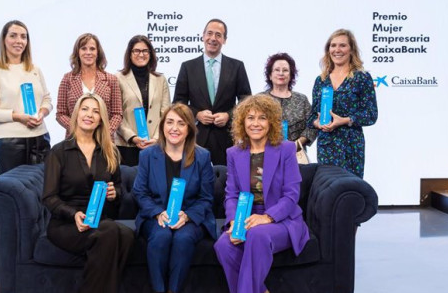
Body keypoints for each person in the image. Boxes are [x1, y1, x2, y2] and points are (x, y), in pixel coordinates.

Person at [214, 94, 310, 293]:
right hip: (247, 216)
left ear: (271, 122)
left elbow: (291, 195)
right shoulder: (234, 152)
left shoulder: (286, 149)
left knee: (257, 235)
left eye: (262, 118)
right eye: (250, 118)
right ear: (242, 122)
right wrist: (234, 221)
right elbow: (231, 194)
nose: (255, 123)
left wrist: (267, 217)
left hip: (282, 219)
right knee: (223, 245)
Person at [43, 93, 134, 292]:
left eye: (96, 111)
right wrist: (73, 214)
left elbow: (118, 188)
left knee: (126, 235)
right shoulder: (59, 152)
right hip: (66, 223)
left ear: (101, 119)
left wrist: (114, 193)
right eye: (85, 109)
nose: (89, 115)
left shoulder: (108, 151)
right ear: (76, 114)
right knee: (111, 232)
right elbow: (49, 197)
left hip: (98, 219)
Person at [132, 103, 216, 293]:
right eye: (169, 122)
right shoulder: (147, 155)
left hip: (190, 216)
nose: (174, 128)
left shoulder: (202, 157)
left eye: (181, 123)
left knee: (183, 239)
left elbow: (206, 198)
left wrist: (186, 216)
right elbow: (140, 193)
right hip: (156, 215)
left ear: (189, 129)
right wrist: (157, 213)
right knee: (161, 236)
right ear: (162, 126)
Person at [173, 18, 251, 166]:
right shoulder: (188, 67)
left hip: (227, 139)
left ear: (224, 40)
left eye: (218, 35)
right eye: (209, 33)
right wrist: (197, 114)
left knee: (226, 183)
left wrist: (229, 115)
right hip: (196, 138)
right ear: (203, 36)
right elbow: (178, 102)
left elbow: (246, 101)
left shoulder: (237, 66)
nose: (213, 38)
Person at [0, 20, 52, 174]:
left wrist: (42, 113)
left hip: (40, 139)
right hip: (10, 143)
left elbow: (47, 100)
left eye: (23, 37)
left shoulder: (35, 69)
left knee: (42, 189)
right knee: (14, 193)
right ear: (4, 40)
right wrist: (17, 117)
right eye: (13, 36)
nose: (19, 41)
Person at [308, 29, 378, 178]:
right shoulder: (321, 80)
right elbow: (312, 115)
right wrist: (317, 123)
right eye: (333, 46)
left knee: (351, 191)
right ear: (328, 50)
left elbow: (371, 115)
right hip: (327, 145)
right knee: (328, 190)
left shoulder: (362, 78)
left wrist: (345, 120)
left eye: (342, 45)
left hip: (351, 146)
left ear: (351, 50)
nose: (337, 50)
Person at [116, 35, 171, 166]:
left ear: (151, 54)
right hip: (127, 145)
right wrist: (133, 137)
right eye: (136, 51)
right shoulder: (118, 78)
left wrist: (157, 138)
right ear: (129, 54)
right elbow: (116, 114)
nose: (141, 54)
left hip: (155, 145)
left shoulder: (160, 79)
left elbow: (166, 114)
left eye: (145, 51)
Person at [56, 33, 122, 138]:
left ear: (98, 52)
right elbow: (61, 114)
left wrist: (104, 132)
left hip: (103, 142)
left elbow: (117, 114)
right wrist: (77, 129)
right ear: (78, 52)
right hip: (74, 139)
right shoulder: (67, 79)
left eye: (92, 49)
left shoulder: (111, 80)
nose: (88, 52)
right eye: (83, 48)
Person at [262, 53, 317, 149]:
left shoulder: (302, 99)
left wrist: (295, 145)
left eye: (285, 70)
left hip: (296, 154)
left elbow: (312, 126)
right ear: (270, 75)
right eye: (277, 70)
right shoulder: (260, 99)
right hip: (265, 152)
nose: (281, 73)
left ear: (291, 75)